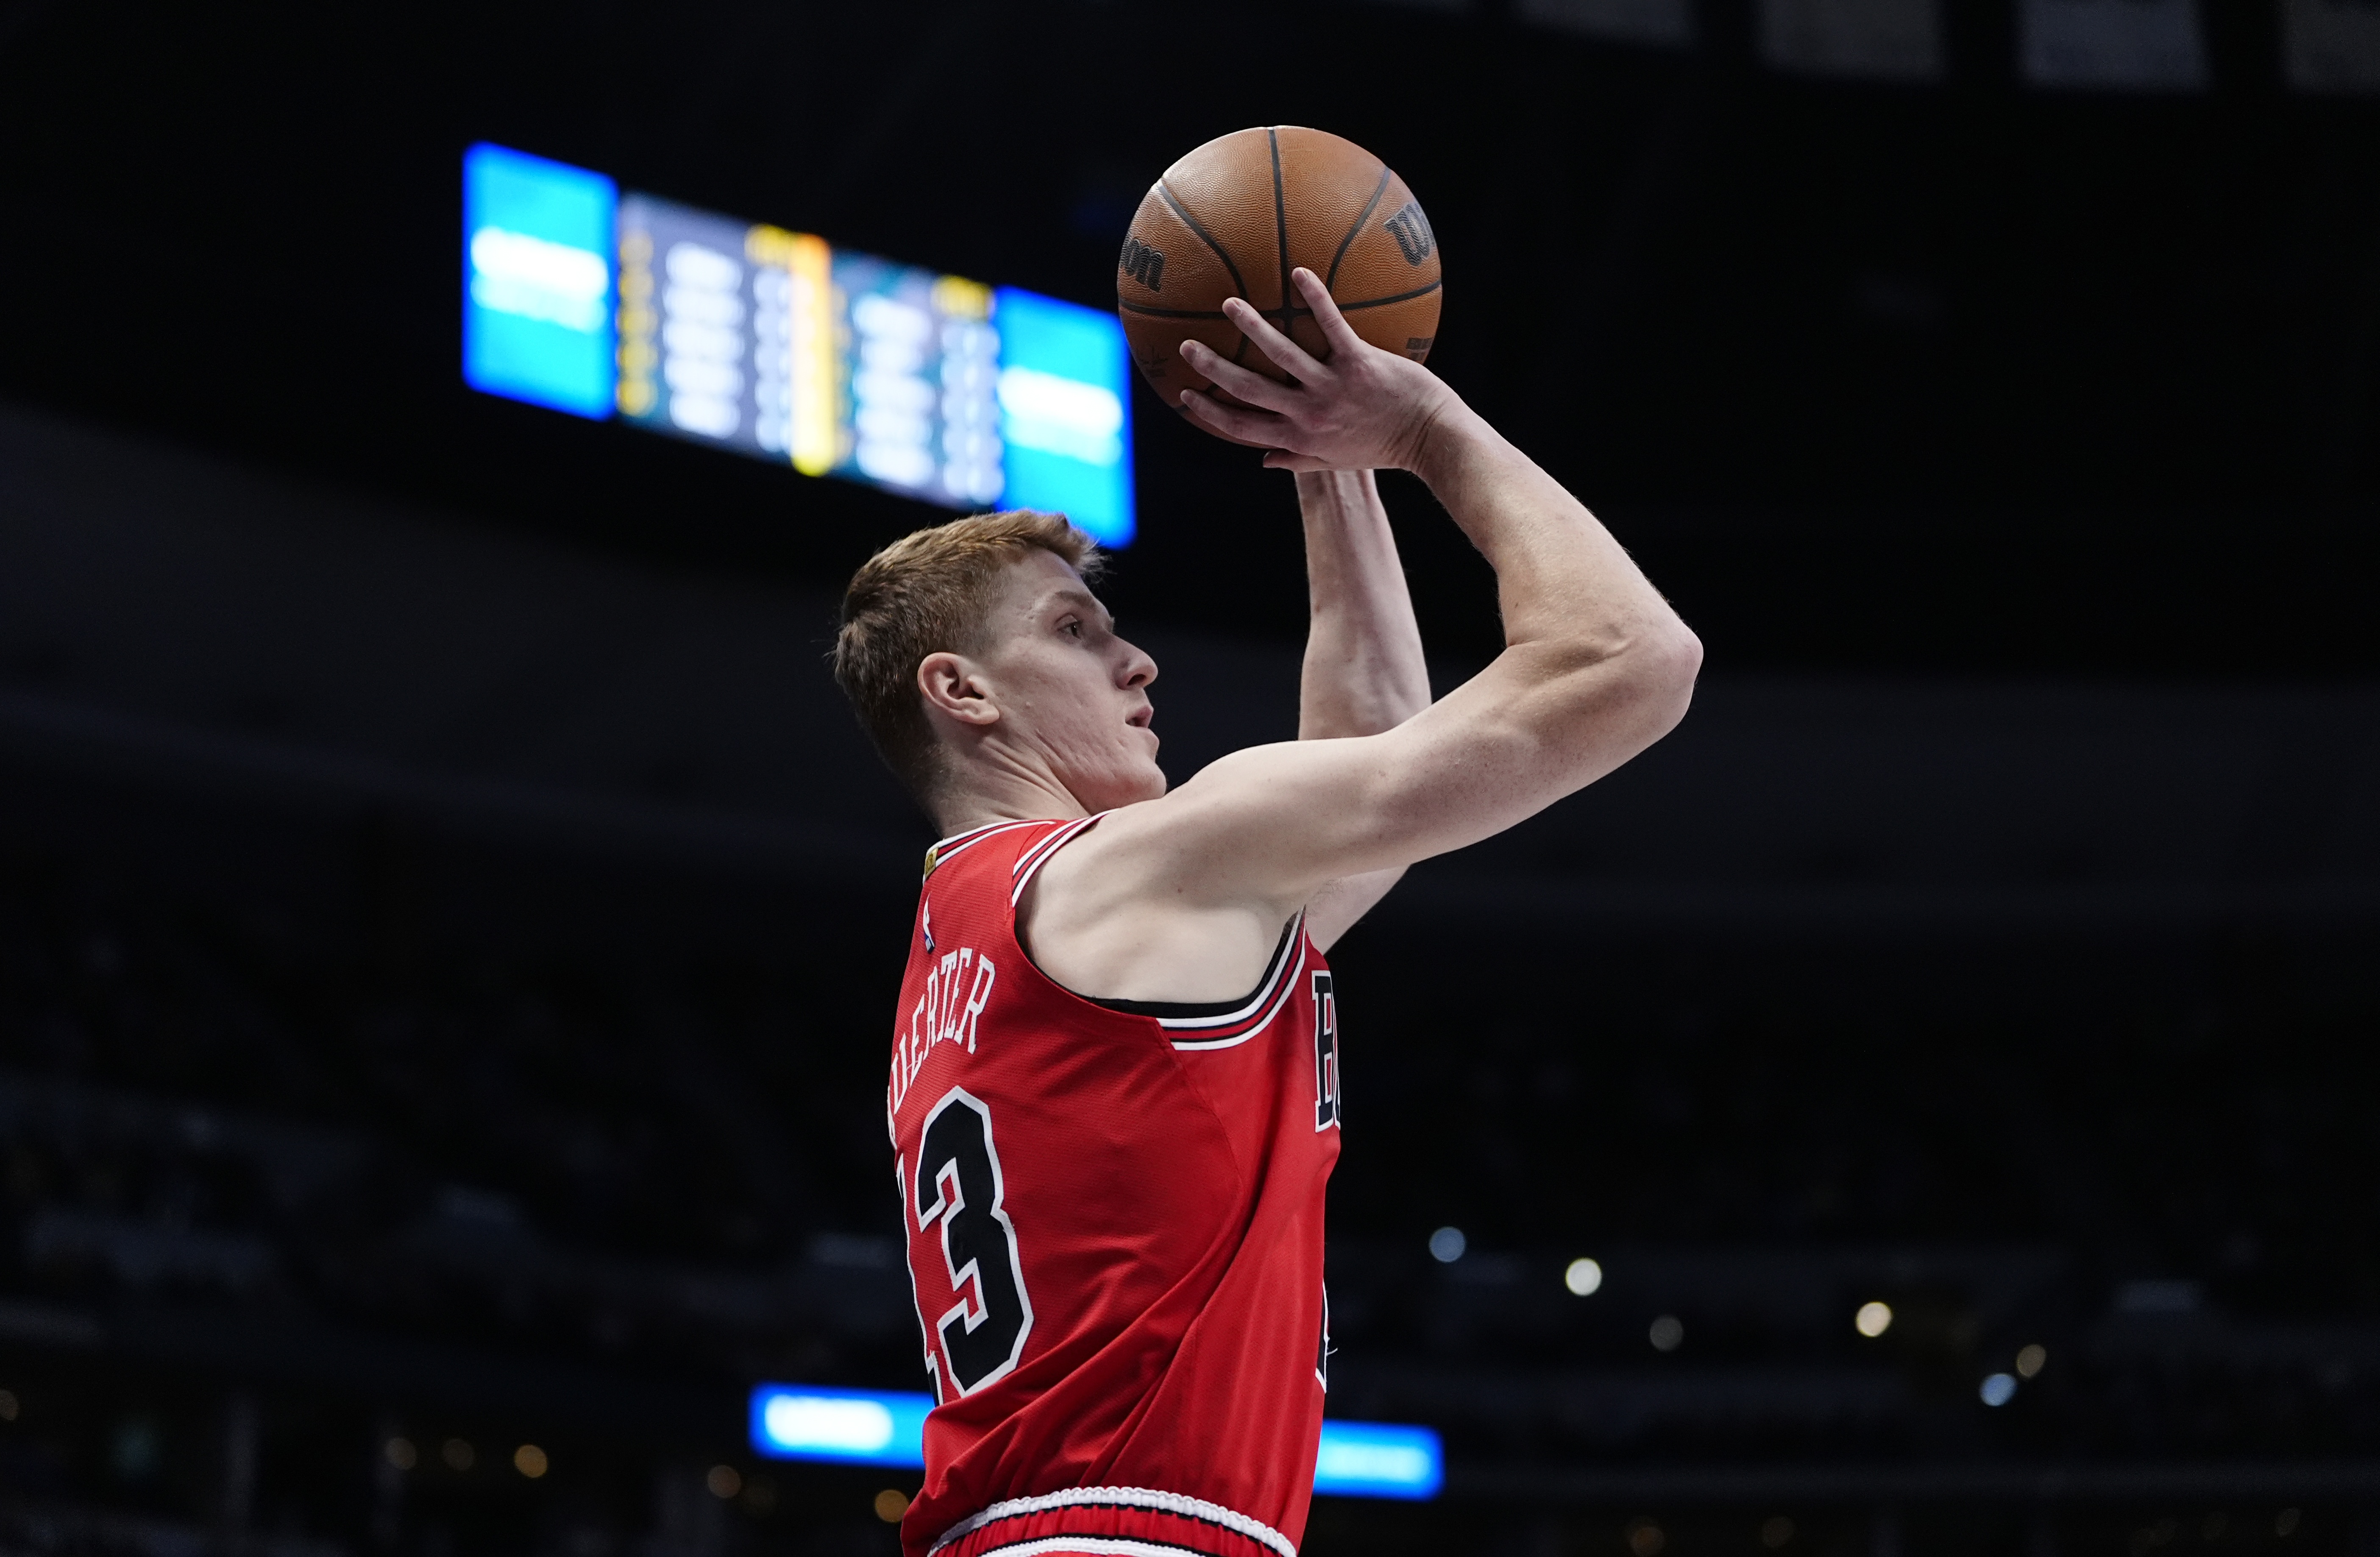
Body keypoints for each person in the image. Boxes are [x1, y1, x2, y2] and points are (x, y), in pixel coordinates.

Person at [832, 270, 1701, 1557]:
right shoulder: (1138, 870)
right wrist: (1422, 428)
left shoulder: (974, 936)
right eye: (1074, 630)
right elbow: (1631, 661)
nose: (1138, 660)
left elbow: (1372, 748)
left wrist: (1325, 458)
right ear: (962, 691)